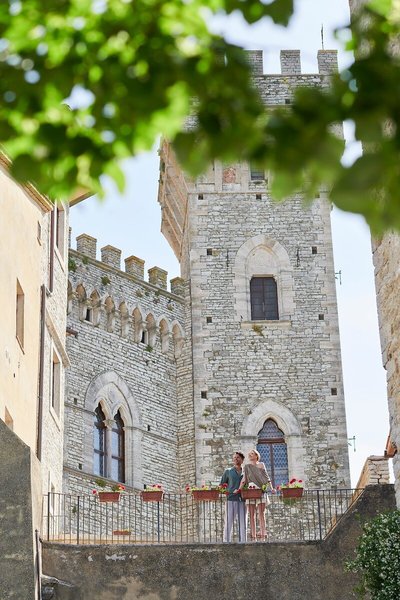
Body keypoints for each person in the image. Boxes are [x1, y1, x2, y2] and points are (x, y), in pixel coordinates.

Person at [239, 449, 274, 541]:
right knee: (251, 515)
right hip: (250, 492)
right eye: (249, 454)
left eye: (252, 454)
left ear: (256, 456)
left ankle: (263, 534)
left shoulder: (261, 465)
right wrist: (239, 489)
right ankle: (253, 536)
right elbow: (244, 479)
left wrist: (271, 488)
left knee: (261, 514)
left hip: (261, 491)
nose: (250, 455)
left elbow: (266, 477)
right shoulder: (247, 467)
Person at [220, 452, 247, 542]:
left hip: (243, 500)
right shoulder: (228, 471)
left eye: (238, 457)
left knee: (243, 522)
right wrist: (228, 492)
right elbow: (221, 485)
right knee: (229, 521)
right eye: (234, 457)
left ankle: (243, 541)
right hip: (231, 499)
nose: (236, 459)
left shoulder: (245, 472)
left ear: (242, 460)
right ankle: (226, 541)